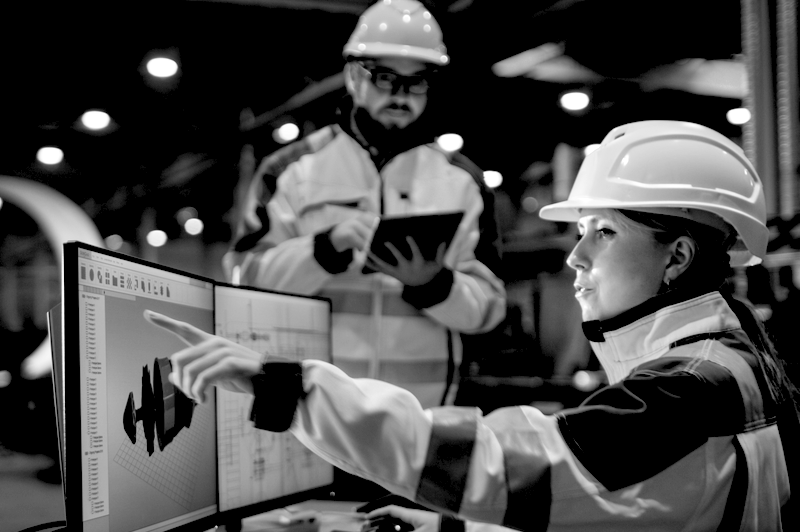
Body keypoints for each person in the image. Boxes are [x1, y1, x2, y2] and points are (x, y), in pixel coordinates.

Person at [146, 120, 800, 530]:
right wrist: (451, 527)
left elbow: (518, 463)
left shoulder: (683, 392)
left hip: (378, 436)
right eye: (581, 232)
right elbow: (617, 509)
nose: (575, 256)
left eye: (604, 232)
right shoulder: (729, 360)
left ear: (677, 257)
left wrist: (284, 387)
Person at [223, 0, 506, 410]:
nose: (401, 94)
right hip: (312, 413)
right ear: (354, 76)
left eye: (418, 81)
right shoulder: (291, 170)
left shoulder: (463, 182)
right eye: (385, 77)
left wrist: (434, 284)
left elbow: (490, 307)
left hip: (418, 418)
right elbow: (243, 283)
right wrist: (323, 250)